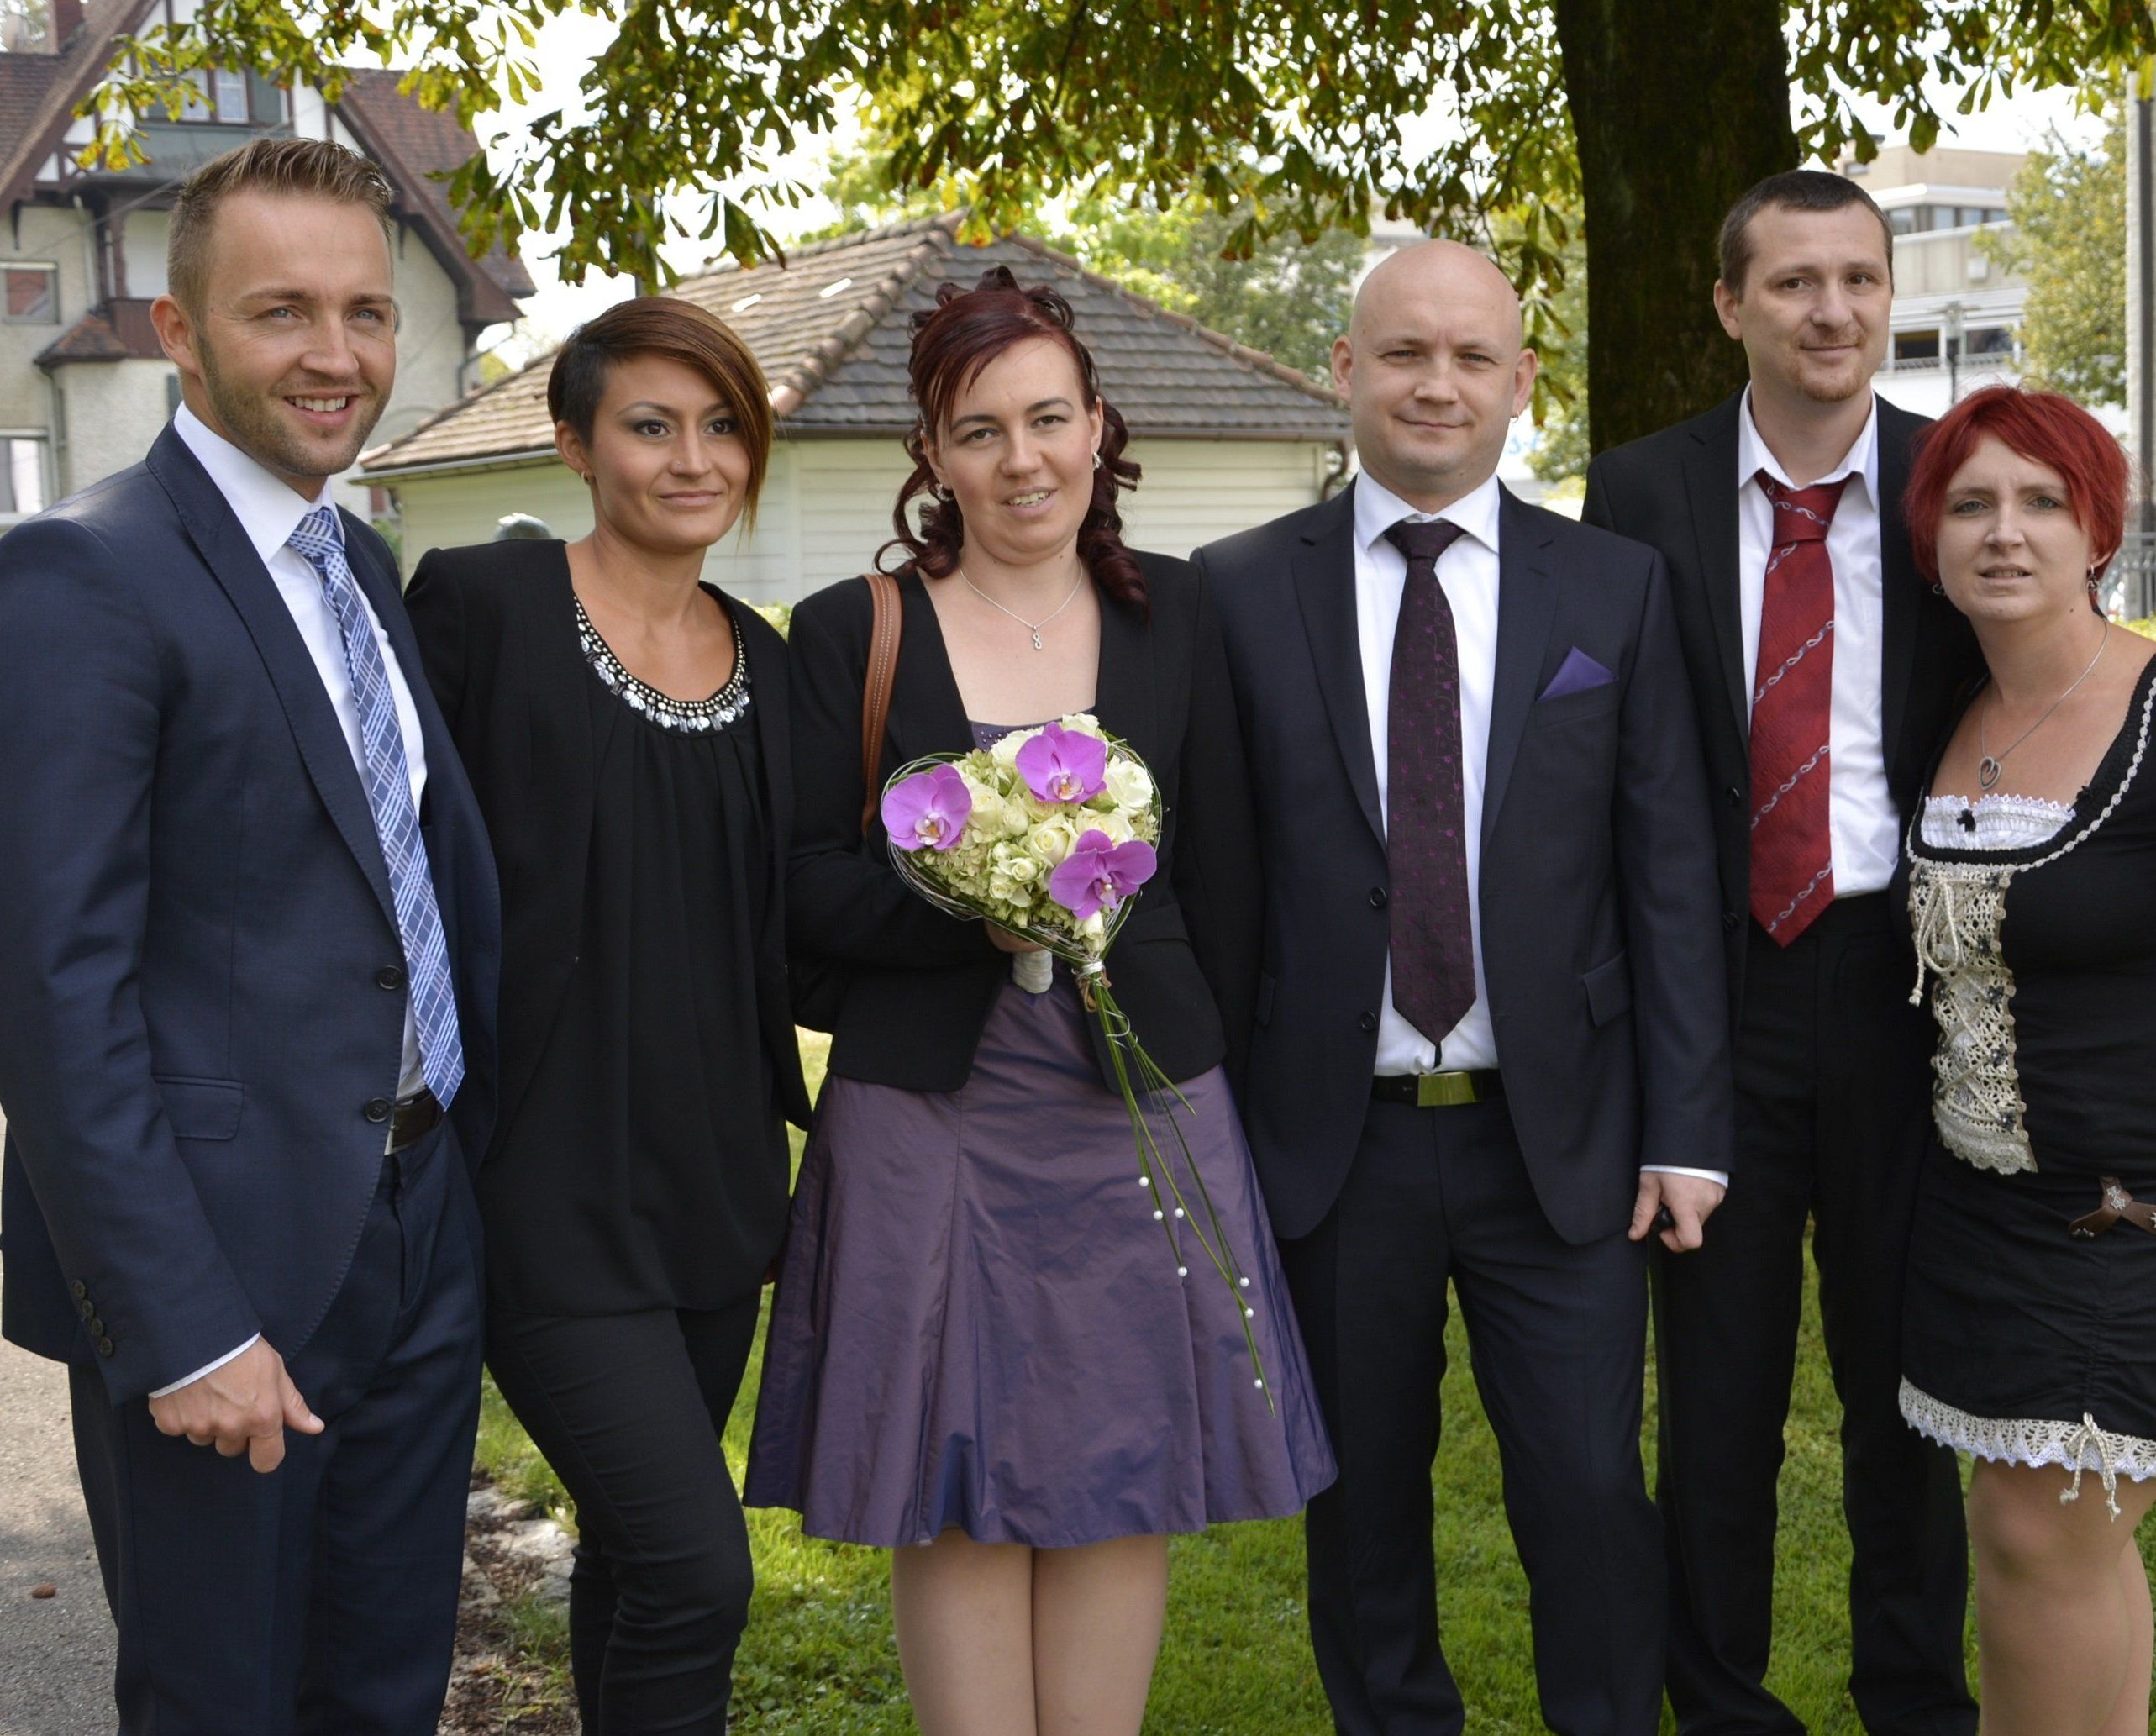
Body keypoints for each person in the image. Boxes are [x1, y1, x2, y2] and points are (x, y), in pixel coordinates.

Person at [745, 266, 1333, 1736]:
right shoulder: (850, 629)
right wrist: (976, 895)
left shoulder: (1185, 616)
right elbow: (804, 893)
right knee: (956, 1484)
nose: (1023, 459)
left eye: (1049, 418)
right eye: (981, 428)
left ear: (1097, 427)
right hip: (931, 1111)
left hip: (1136, 1105)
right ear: (933, 455)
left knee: (1115, 1471)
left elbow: (1235, 884)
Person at [1197, 239, 1733, 1736]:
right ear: (1345, 369)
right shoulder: (1234, 594)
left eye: (1471, 357)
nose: (1438, 383)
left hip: (1557, 1140)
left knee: (1583, 1489)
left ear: (1519, 383)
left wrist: (1685, 1126)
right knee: (1359, 1507)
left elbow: (1669, 875)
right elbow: (1219, 891)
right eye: (1405, 353)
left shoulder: (1613, 589)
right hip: (1330, 1141)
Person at [0, 138, 498, 1734]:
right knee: (225, 1702)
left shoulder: (354, 557)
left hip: (417, 1226)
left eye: (365, 311)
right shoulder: (83, 570)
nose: (338, 355)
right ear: (178, 332)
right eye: (282, 311)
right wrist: (184, 1320)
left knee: (385, 1687)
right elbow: (55, 991)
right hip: (225, 1258)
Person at [1581, 169, 1982, 1736]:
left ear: (1890, 297)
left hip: (1903, 992)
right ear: (1730, 303)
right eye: (1796, 282)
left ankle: (1914, 1699)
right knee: (1723, 1400)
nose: (1832, 310)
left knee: (1910, 1393)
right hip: (1716, 991)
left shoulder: (1956, 480)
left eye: (1860, 280)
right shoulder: (1637, 493)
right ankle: (1723, 1702)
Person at [402, 298, 808, 1735]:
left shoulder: (771, 666)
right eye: (650, 425)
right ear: (575, 443)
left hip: (714, 1190)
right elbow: (387, 865)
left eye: (720, 427)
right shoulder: (478, 605)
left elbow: (800, 930)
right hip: (541, 1187)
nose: (692, 458)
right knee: (699, 1567)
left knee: (640, 1555)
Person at [1896, 386, 2156, 1736]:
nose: (2003, 532)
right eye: (1969, 503)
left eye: (2040, 502)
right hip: (1984, 1211)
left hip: (2151, 1211)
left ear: (2096, 532)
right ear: (1930, 538)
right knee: (2050, 1537)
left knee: (2037, 1534)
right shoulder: (1954, 714)